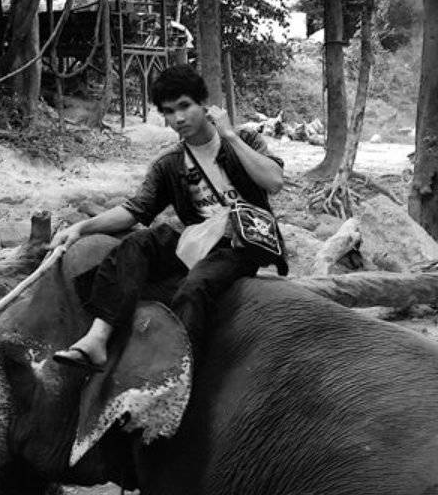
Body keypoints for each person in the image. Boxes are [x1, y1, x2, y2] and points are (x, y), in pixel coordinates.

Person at [51, 64, 286, 372]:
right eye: (169, 111)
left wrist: (229, 136)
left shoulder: (245, 139)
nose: (179, 118)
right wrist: (81, 227)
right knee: (138, 244)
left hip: (241, 241)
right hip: (197, 239)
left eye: (185, 106)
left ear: (204, 104)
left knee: (194, 287)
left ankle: (175, 372)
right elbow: (135, 210)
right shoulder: (169, 162)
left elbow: (274, 181)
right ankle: (97, 338)